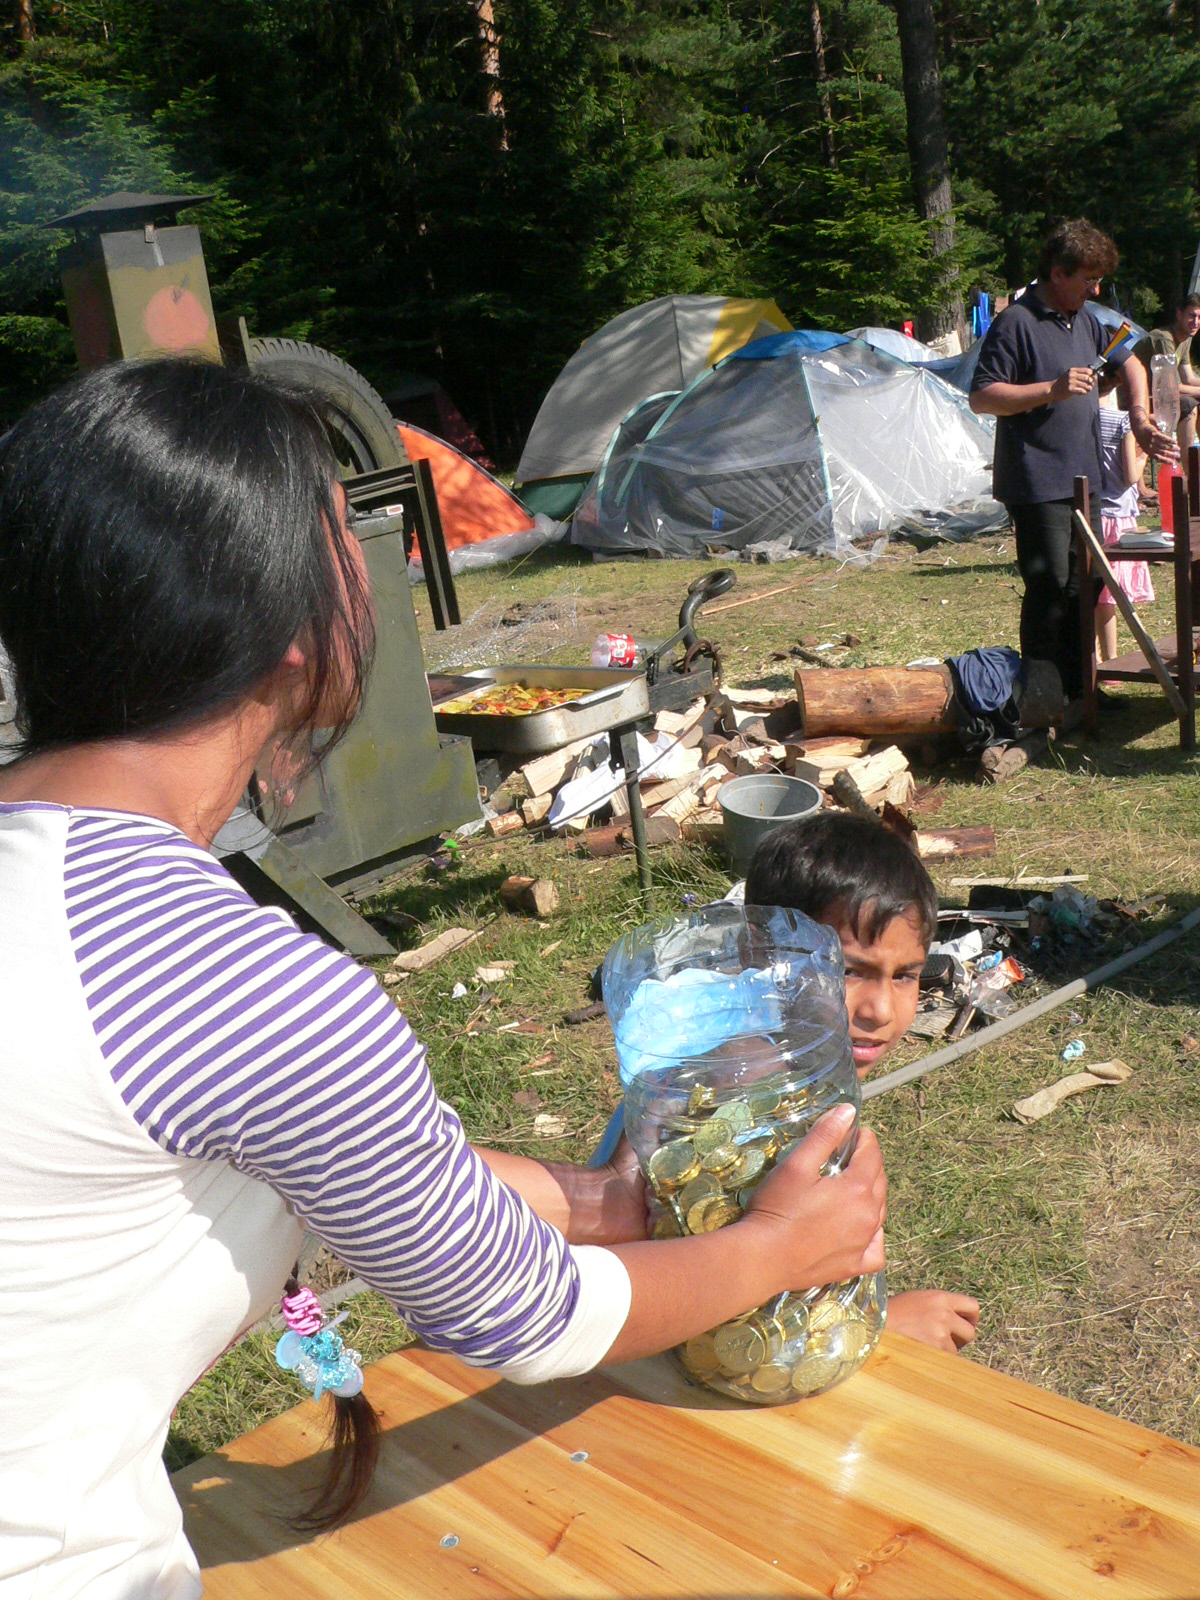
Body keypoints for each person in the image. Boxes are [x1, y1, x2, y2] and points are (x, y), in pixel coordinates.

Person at [0, 358, 888, 1599]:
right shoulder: (238, 985)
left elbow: (339, 1166)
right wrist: (783, 1248)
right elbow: (523, 1317)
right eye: (344, 542)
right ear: (290, 624)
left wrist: (605, 1200)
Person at [744, 812, 981, 1355]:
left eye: (905, 976)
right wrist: (878, 1327)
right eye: (849, 970)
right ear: (758, 952)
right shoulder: (736, 1109)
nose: (880, 1011)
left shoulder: (804, 1080)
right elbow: (707, 1326)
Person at [969, 218, 1175, 701]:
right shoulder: (1016, 323)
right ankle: (1046, 699)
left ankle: (1084, 691)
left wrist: (1140, 420)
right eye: (1088, 279)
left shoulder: (1084, 320)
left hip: (1086, 479)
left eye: (1098, 280)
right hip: (1037, 480)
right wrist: (1051, 389)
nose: (1095, 289)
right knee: (1049, 588)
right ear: (1058, 273)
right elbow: (982, 396)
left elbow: (1131, 362)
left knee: (1086, 584)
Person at [1095, 380, 1153, 663]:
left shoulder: (1080, 420)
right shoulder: (1122, 422)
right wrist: (1145, 455)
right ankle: (1111, 659)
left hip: (1090, 513)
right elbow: (1130, 476)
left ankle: (1092, 658)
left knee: (1092, 594)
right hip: (1117, 518)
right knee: (1109, 596)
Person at [1140, 293, 1200, 455]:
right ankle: (1190, 469)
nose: (1196, 322)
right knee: (1188, 405)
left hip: (1160, 399)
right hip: (1138, 399)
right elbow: (1171, 388)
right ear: (1179, 314)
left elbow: (1189, 378)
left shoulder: (1185, 339)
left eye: (1199, 317)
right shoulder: (1164, 339)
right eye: (1192, 316)